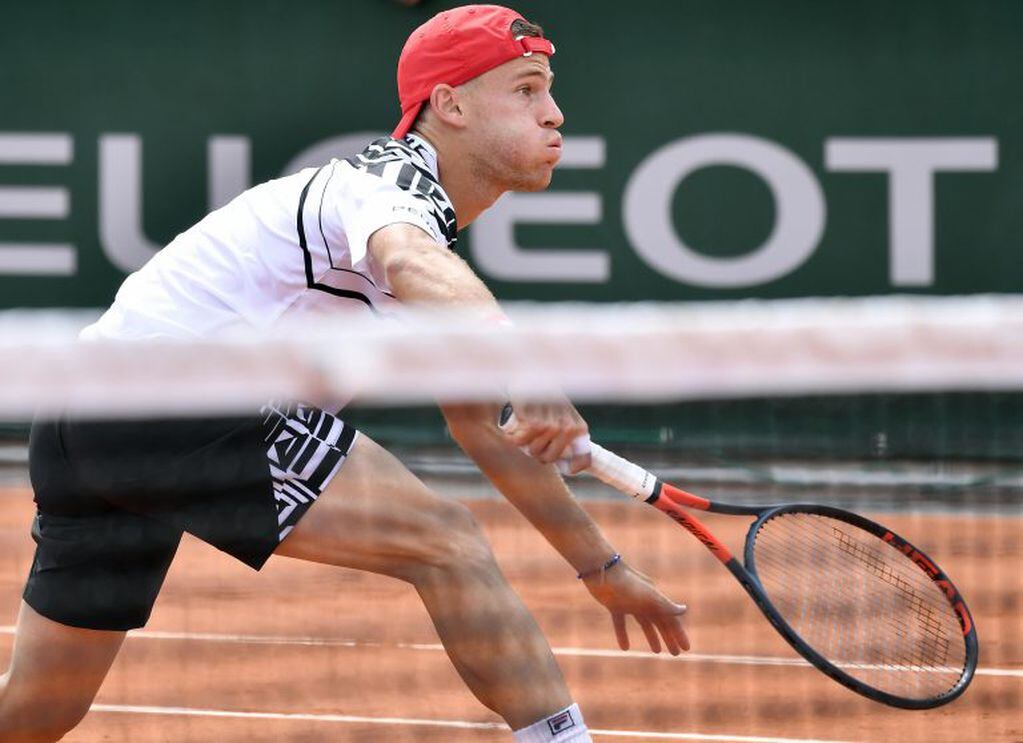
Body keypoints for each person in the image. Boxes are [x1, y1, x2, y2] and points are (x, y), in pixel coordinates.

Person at [0, 5, 688, 741]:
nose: (553, 114)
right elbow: (407, 259)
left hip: (86, 418)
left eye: (548, 91)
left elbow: (479, 428)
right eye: (525, 89)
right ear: (448, 105)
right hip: (175, 404)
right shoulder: (387, 187)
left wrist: (599, 564)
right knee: (447, 542)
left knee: (37, 711)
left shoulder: (433, 255)